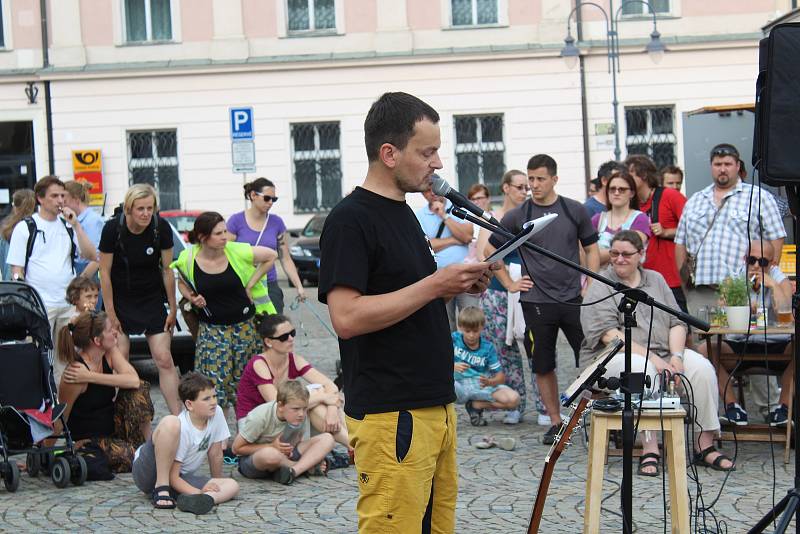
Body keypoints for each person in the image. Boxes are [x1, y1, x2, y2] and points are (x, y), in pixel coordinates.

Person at [319, 91, 493, 533]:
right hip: (391, 412)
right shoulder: (350, 219)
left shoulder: (405, 212)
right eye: (427, 151)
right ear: (389, 153)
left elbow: (408, 295)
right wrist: (435, 284)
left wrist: (455, 285)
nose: (437, 164)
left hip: (434, 405)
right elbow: (347, 316)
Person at [581, 231, 733, 473]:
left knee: (702, 369)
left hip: (664, 351)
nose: (619, 259)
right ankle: (649, 447)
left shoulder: (656, 280)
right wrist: (654, 359)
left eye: (626, 254)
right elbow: (609, 335)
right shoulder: (601, 284)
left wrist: (677, 356)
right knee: (643, 370)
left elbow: (677, 322)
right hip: (611, 359)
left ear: (641, 255)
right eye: (614, 254)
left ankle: (704, 444)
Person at [487, 153, 599, 446]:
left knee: (593, 359)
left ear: (554, 179)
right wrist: (510, 283)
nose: (533, 185)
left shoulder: (574, 210)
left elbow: (592, 249)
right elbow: (491, 250)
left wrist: (592, 284)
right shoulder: (518, 216)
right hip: (536, 301)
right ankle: (555, 420)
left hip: (574, 298)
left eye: (540, 179)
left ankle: (597, 414)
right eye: (530, 179)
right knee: (542, 363)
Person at [171, 211, 277, 415]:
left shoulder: (236, 251)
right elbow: (182, 283)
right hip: (212, 332)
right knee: (214, 389)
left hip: (244, 329)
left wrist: (251, 284)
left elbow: (271, 256)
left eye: (225, 231)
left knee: (245, 386)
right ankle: (218, 441)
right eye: (219, 233)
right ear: (203, 237)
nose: (225, 237)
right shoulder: (188, 257)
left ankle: (245, 437)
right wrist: (193, 298)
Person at [675, 143, 786, 317]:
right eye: (718, 165)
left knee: (737, 342)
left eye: (727, 164)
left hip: (742, 291)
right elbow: (680, 243)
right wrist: (685, 285)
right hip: (701, 292)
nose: (722, 169)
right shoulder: (695, 200)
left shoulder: (759, 197)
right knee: (705, 344)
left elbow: (777, 239)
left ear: (737, 166)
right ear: (711, 167)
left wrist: (764, 278)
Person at [99, 184, 181, 415]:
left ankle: (179, 418)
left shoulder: (160, 227)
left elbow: (167, 269)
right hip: (121, 299)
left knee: (164, 358)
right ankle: (113, 416)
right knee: (119, 358)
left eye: (150, 208)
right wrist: (111, 313)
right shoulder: (112, 229)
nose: (146, 214)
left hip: (151, 298)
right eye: (140, 209)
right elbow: (104, 272)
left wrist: (172, 308)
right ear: (129, 209)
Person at [6, 176, 97, 375]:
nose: (59, 201)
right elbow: (16, 270)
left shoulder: (67, 227)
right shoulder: (26, 227)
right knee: (38, 359)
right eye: (54, 196)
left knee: (65, 361)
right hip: (39, 305)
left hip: (66, 304)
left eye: (62, 196)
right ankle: (41, 404)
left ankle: (63, 403)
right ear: (40, 198)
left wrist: (77, 226)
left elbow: (91, 255)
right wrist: (24, 303)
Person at [698, 240, 794, 426]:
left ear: (772, 263)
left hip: (776, 345)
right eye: (752, 260)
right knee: (704, 349)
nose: (756, 266)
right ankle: (733, 406)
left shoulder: (780, 279)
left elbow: (786, 312)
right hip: (741, 345)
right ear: (745, 259)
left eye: (763, 262)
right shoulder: (734, 279)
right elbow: (721, 315)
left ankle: (783, 409)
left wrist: (772, 286)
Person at [476, 169, 542, 425]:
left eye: (527, 187)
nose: (524, 191)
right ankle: (516, 402)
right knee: (505, 350)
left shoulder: (531, 216)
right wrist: (508, 282)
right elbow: (487, 252)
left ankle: (544, 405)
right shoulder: (493, 218)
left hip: (528, 288)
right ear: (505, 188)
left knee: (535, 348)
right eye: (519, 187)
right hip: (498, 292)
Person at [55, 311, 154, 473]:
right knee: (131, 456)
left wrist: (90, 377)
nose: (116, 331)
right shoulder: (75, 373)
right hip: (90, 439)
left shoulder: (108, 353)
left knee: (139, 390)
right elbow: (61, 418)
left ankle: (148, 445)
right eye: (110, 330)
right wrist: (42, 454)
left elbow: (134, 380)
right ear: (97, 340)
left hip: (112, 428)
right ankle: (141, 453)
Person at [132, 372, 239, 514]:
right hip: (149, 472)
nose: (213, 402)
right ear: (189, 404)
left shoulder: (216, 413)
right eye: (206, 399)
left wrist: (216, 484)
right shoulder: (183, 427)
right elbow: (173, 476)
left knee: (232, 485)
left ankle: (204, 500)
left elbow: (216, 453)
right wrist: (197, 491)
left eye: (214, 396)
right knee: (171, 422)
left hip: (180, 478)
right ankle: (162, 489)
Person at [236, 314, 349, 448]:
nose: (291, 339)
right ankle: (353, 445)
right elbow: (275, 403)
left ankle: (352, 443)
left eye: (292, 333)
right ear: (268, 342)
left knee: (318, 393)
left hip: (281, 418)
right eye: (284, 337)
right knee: (316, 397)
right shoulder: (259, 364)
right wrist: (324, 397)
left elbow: (330, 386)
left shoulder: (293, 359)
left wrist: (331, 408)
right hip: (255, 424)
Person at [233, 379, 336, 484]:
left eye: (304, 409)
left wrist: (290, 451)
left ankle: (293, 471)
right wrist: (271, 446)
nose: (301, 414)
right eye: (295, 409)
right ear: (281, 406)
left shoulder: (298, 415)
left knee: (328, 438)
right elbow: (236, 448)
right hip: (256, 461)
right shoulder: (259, 417)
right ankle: (306, 467)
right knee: (270, 454)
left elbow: (297, 442)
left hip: (285, 456)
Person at [227, 177, 306, 314]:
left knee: (275, 329)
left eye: (274, 199)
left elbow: (285, 259)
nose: (270, 203)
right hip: (243, 284)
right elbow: (227, 253)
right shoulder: (236, 221)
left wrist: (299, 286)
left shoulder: (276, 223)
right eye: (267, 198)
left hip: (269, 285)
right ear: (253, 195)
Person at [627, 155, 688, 312]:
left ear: (644, 175)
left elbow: (694, 228)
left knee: (681, 326)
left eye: (630, 174)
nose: (625, 178)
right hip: (641, 278)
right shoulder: (630, 202)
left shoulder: (669, 195)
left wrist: (667, 232)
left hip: (671, 277)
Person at [416, 182, 477, 331]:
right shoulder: (418, 216)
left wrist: (444, 215)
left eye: (434, 189)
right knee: (445, 324)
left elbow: (467, 235)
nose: (432, 193)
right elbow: (426, 246)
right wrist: (454, 239)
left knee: (470, 320)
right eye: (427, 190)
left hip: (465, 274)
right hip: (439, 276)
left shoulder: (459, 208)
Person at [453, 307, 520, 426]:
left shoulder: (487, 347)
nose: (472, 335)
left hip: (479, 386)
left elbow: (500, 377)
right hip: (458, 385)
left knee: (514, 400)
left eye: (475, 331)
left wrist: (489, 382)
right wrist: (451, 366)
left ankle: (476, 405)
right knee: (438, 380)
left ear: (482, 327)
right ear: (460, 327)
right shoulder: (453, 339)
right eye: (467, 331)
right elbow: (433, 359)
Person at [591, 169, 651, 268]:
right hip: (601, 279)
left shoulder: (640, 219)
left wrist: (597, 255)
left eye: (622, 189)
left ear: (632, 193)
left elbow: (630, 250)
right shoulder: (597, 219)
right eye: (612, 189)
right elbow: (585, 255)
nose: (616, 192)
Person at [64, 180, 105, 279]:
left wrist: (81, 280)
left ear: (76, 199)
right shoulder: (73, 219)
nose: (62, 206)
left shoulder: (92, 220)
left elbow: (97, 258)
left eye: (65, 202)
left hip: (89, 274)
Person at [0, 189, 35, 280]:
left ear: (15, 206)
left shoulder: (6, 230)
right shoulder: (36, 228)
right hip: (33, 285)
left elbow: (6, 266)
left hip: (12, 285)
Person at [465, 183, 491, 263]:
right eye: (472, 199)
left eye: (479, 198)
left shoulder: (496, 217)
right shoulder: (467, 221)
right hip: (473, 265)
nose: (476, 202)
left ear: (488, 199)